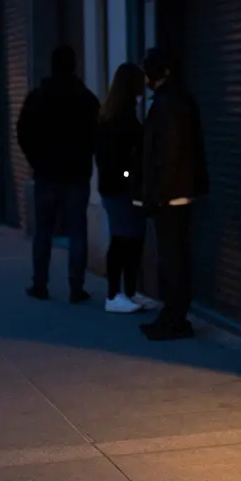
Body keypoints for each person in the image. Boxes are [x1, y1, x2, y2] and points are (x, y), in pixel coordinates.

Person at [17, 45, 100, 304]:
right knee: (77, 230)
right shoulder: (86, 99)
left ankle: (39, 283)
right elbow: (96, 134)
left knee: (43, 231)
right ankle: (77, 287)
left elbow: (23, 131)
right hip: (75, 173)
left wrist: (36, 160)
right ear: (74, 65)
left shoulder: (38, 98)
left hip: (46, 173)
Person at [137, 47, 208, 341]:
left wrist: (156, 195)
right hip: (178, 191)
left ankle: (174, 318)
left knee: (172, 258)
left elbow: (167, 154)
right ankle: (173, 315)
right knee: (175, 257)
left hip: (172, 194)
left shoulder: (168, 104)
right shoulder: (179, 100)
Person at [95, 63, 148, 314]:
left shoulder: (111, 115)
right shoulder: (121, 118)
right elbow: (121, 157)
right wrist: (128, 176)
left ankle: (125, 291)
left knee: (129, 238)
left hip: (116, 187)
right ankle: (115, 293)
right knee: (124, 239)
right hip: (121, 188)